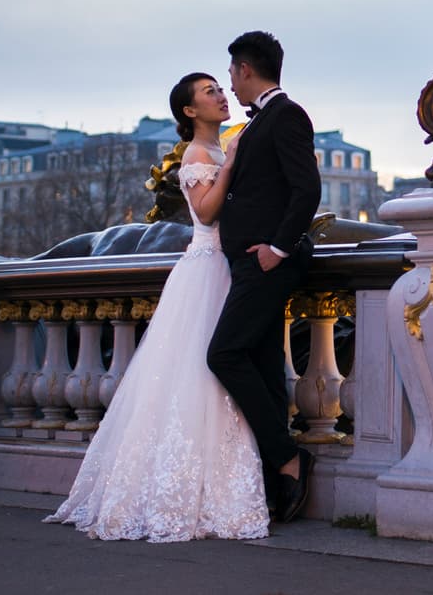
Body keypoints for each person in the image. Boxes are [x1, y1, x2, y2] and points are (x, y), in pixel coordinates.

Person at [46, 73, 269, 542]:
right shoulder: (198, 154)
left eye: (220, 88)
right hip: (206, 270)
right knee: (197, 373)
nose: (221, 96)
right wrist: (232, 163)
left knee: (210, 372)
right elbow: (205, 212)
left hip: (225, 267)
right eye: (210, 92)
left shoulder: (220, 150)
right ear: (189, 111)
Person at [208, 31, 321, 523]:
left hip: (266, 262)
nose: (230, 85)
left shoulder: (287, 115)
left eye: (231, 74)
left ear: (246, 69)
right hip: (249, 262)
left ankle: (289, 457)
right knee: (265, 364)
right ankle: (278, 480)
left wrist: (277, 250)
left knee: (223, 353)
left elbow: (307, 189)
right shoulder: (263, 121)